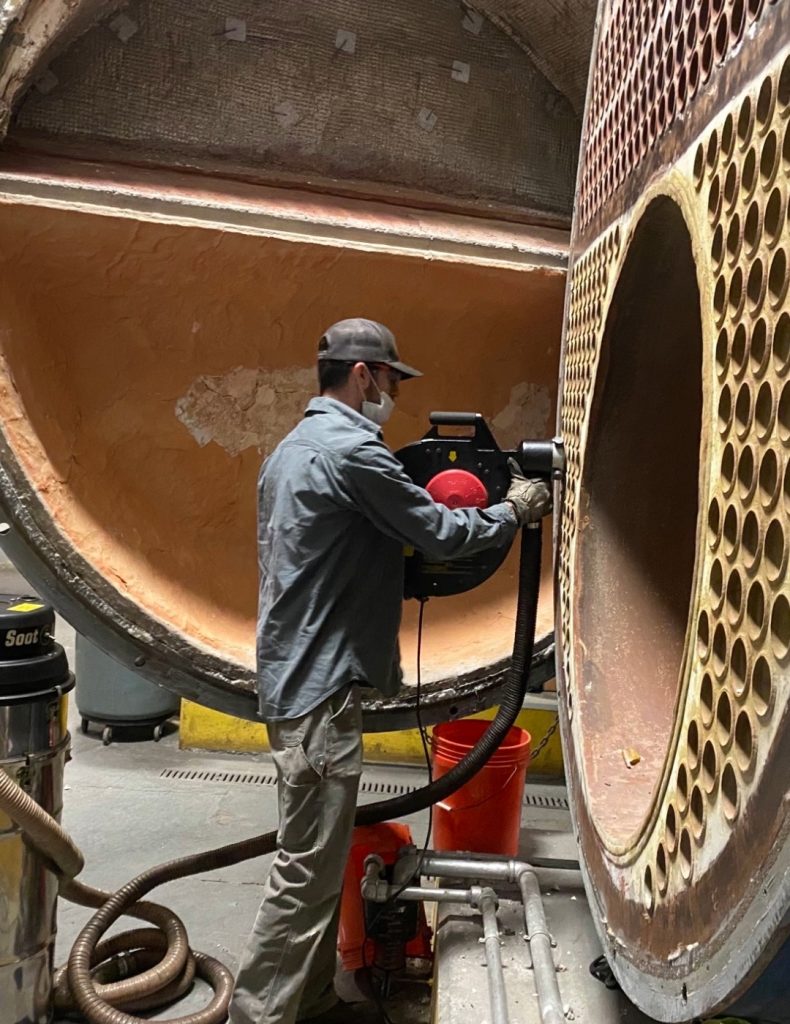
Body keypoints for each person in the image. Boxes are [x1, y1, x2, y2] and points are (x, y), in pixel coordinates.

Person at [229, 318, 552, 1024]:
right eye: (391, 383)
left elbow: (328, 555)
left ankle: (311, 1002)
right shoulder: (353, 452)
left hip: (296, 675)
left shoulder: (292, 450)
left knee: (319, 869)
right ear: (364, 375)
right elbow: (439, 530)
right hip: (316, 693)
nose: (394, 398)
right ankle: (257, 1016)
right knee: (304, 873)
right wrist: (512, 510)